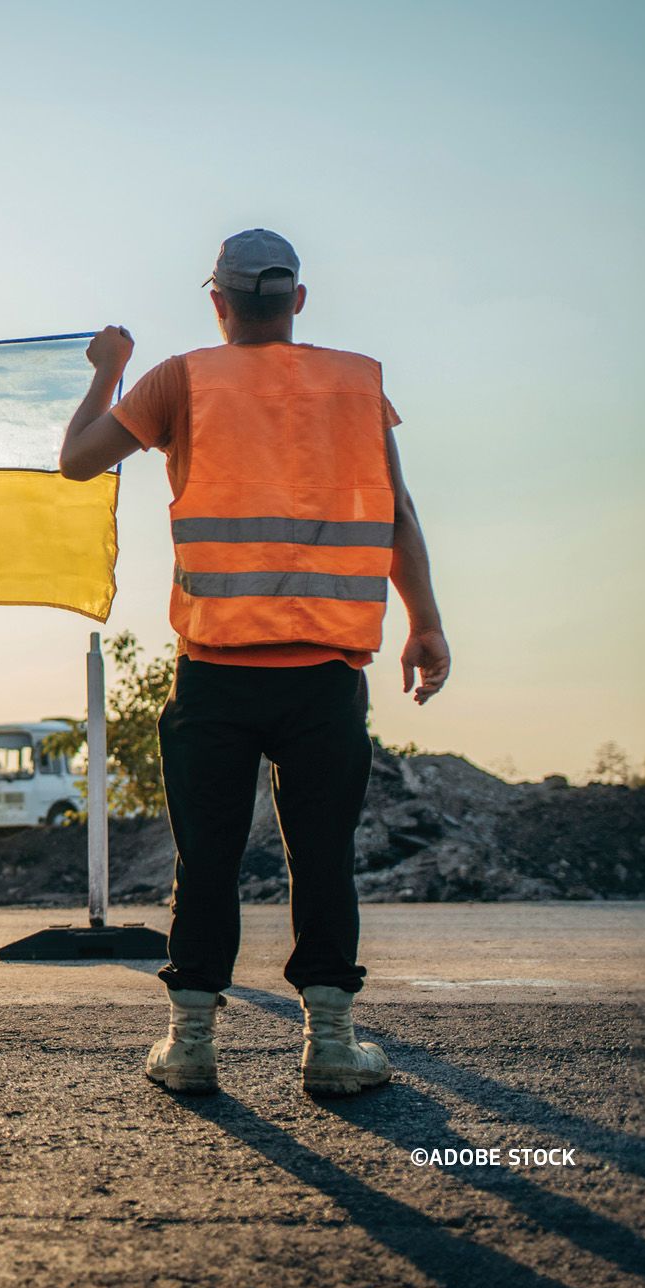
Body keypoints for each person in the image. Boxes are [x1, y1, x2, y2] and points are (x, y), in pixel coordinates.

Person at [56, 229, 450, 1098]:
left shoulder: (182, 379)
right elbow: (399, 511)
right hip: (325, 676)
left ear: (219, 303)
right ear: (299, 302)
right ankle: (332, 1044)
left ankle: (191, 1043)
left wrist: (109, 368)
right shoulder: (358, 382)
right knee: (322, 857)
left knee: (208, 858)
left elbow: (75, 461)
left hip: (217, 673)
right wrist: (425, 621)